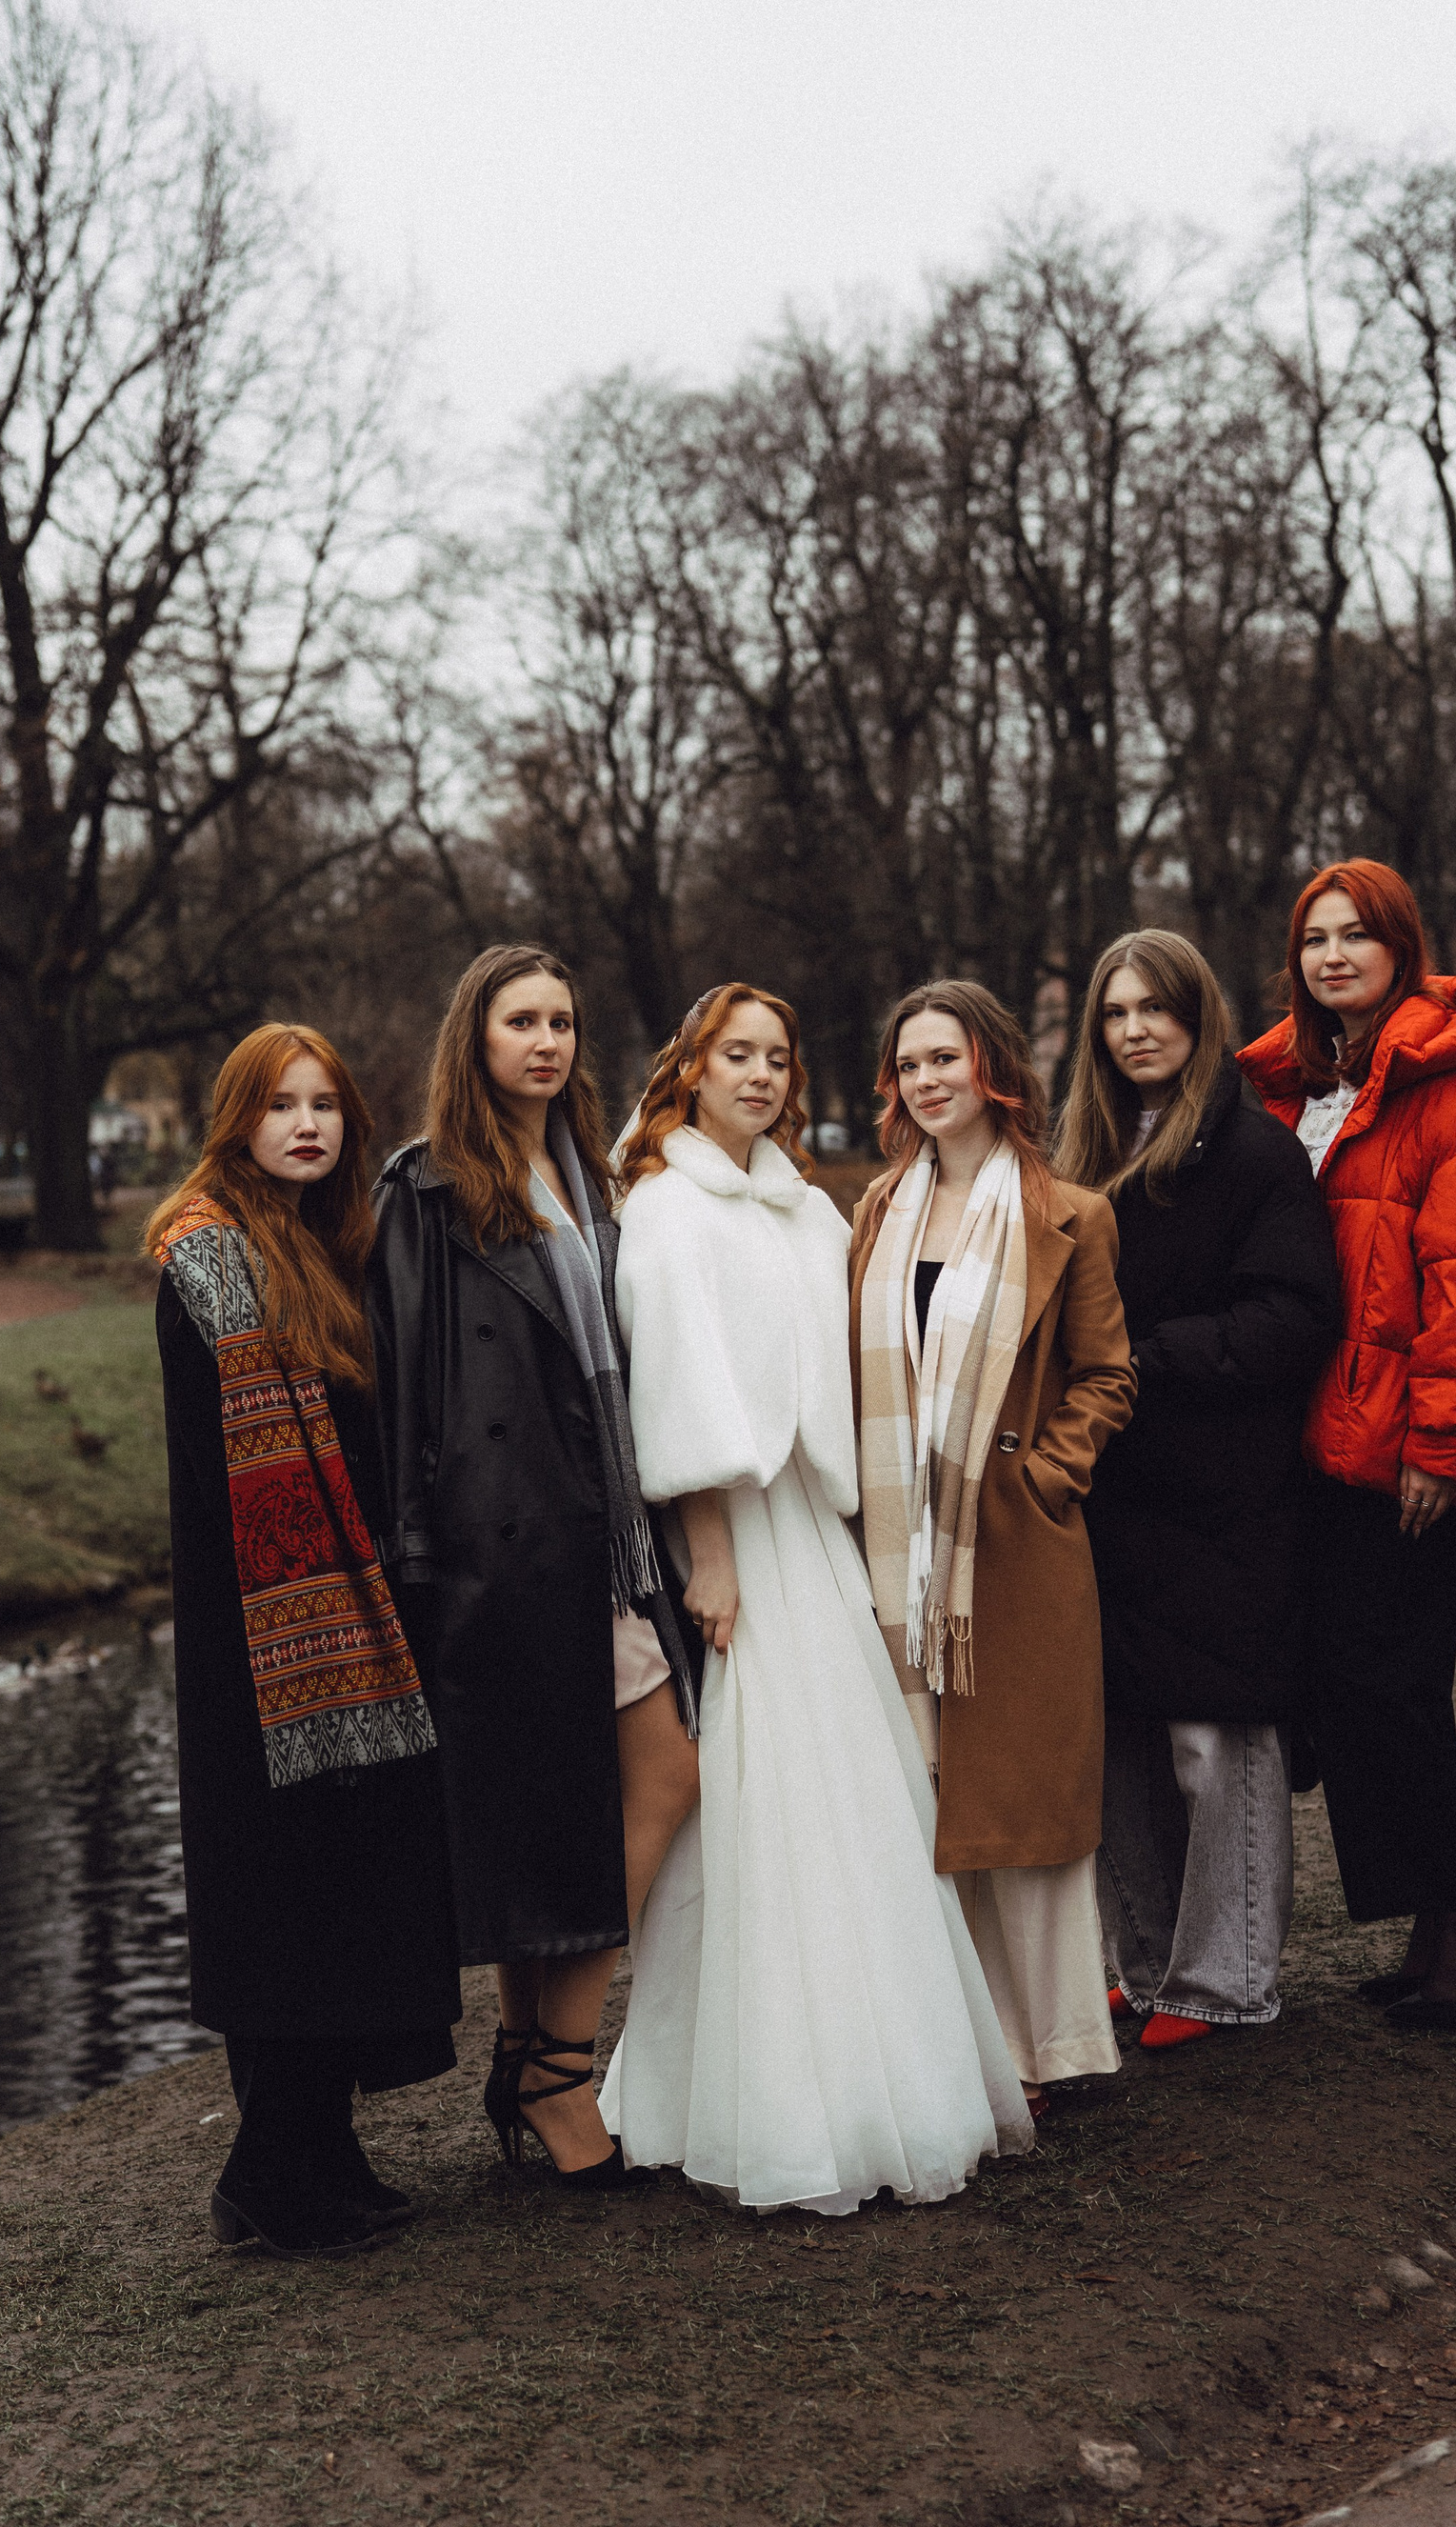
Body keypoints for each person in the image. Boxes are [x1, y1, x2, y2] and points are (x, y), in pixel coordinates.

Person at [597, 983, 1030, 2212]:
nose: (760, 1075)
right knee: (752, 1792)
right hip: (732, 1528)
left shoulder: (808, 1210)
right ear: (691, 1069)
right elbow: (674, 1388)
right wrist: (711, 1550)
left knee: (853, 1789)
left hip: (813, 1523)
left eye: (778, 1058)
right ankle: (747, 2087)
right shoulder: (666, 1208)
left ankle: (880, 2070)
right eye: (735, 1054)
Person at [366, 946, 700, 2186]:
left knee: (581, 1800)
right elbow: (403, 1385)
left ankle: (529, 2059)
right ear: (478, 1038)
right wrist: (421, 1557)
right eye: (522, 1021)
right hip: (498, 1545)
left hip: (601, 1532)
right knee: (643, 1779)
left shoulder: (589, 1176)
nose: (547, 1042)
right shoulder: (426, 1188)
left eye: (561, 1020)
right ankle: (557, 2075)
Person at [148, 1024, 458, 2256]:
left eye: (324, 1104)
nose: (307, 1125)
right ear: (240, 1119)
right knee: (284, 1899)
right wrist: (296, 1620)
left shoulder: (326, 1246)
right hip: (261, 1639)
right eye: (281, 1105)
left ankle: (323, 2153)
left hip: (339, 1620)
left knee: (344, 1886)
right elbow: (217, 1471)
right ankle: (266, 2178)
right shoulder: (208, 1255)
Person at [1239, 861, 1456, 2029]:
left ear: (1400, 949)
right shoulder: (1307, 1090)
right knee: (1359, 1684)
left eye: (1355, 936)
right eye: (1314, 939)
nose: (1332, 957)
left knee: (1387, 1684)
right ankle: (1437, 1920)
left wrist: (1445, 1448)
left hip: (1414, 1451)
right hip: (1332, 1439)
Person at [848, 980, 1135, 2117]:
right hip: (897, 1549)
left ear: (994, 1068)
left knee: (1028, 1803)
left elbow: (1107, 1375)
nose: (927, 1080)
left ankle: (1057, 2046)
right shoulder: (878, 1210)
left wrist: (1043, 1476)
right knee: (936, 1797)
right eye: (909, 1063)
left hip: (1014, 1547)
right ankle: (968, 2045)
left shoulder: (1072, 1213)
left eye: (946, 1058)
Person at [1051, 933, 1342, 2051]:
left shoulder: (1255, 1154)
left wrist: (1148, 1360)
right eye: (1116, 1012)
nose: (1136, 1030)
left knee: (1219, 1742)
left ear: (1197, 1018)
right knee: (1121, 1735)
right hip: (1111, 1496)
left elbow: (1294, 1316)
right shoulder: (1081, 1152)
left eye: (1156, 1009)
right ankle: (1146, 1965)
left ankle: (1225, 1980)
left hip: (1224, 1494)